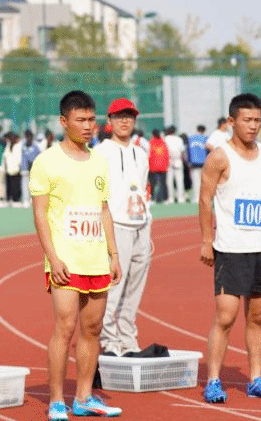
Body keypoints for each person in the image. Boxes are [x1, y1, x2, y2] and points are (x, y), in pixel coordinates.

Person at [29, 90, 122, 420]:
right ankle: (57, 400)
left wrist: (113, 254)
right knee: (65, 328)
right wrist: (53, 258)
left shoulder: (99, 161)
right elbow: (40, 214)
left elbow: (104, 209)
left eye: (91, 120)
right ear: (63, 121)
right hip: (66, 260)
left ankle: (84, 397)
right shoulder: (46, 162)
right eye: (80, 120)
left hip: (96, 259)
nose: (87, 126)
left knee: (93, 329)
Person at [199, 93, 261, 404]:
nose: (253, 125)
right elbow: (205, 199)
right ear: (232, 121)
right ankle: (213, 380)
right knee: (226, 317)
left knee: (258, 318)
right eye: (247, 120)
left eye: (257, 120)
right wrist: (206, 241)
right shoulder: (219, 158)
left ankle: (256, 378)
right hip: (230, 250)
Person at [94, 99, 151, 358]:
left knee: (134, 290)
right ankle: (109, 341)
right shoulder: (101, 153)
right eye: (119, 117)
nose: (125, 121)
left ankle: (128, 340)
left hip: (141, 224)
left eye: (129, 116)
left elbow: (143, 189)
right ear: (109, 121)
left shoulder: (141, 153)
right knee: (114, 288)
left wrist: (148, 223)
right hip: (117, 226)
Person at [164, 126, 187, 203]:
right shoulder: (179, 139)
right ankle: (181, 198)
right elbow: (182, 150)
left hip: (168, 160)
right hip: (177, 160)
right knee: (179, 180)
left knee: (169, 181)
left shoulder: (165, 139)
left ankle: (171, 198)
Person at [147, 129, 169, 204]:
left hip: (153, 166)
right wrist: (166, 164)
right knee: (163, 183)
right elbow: (167, 154)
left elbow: (149, 155)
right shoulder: (163, 142)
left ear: (153, 134)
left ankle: (152, 199)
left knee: (152, 183)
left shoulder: (150, 142)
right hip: (163, 166)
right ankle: (165, 199)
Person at [188, 125, 208, 203]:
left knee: (196, 182)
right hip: (204, 162)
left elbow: (188, 150)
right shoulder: (205, 138)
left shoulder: (191, 138)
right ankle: (204, 198)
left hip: (194, 163)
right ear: (203, 131)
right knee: (204, 182)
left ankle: (196, 198)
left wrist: (189, 161)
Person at [2, 132, 23, 206]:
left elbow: (5, 157)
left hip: (9, 169)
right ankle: (15, 200)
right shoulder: (18, 146)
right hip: (16, 169)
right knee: (16, 185)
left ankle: (8, 200)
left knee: (9, 185)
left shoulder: (8, 146)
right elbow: (19, 159)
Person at [20, 130, 39, 208]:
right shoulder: (22, 146)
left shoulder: (35, 147)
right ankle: (25, 200)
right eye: (27, 137)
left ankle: (32, 200)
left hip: (33, 169)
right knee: (24, 185)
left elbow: (37, 158)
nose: (28, 138)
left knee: (33, 185)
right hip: (24, 169)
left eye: (30, 137)